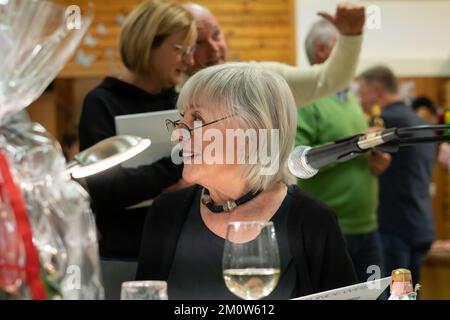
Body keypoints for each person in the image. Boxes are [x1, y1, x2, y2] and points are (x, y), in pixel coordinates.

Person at [136, 63, 357, 299]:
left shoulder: (312, 222)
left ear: (250, 132)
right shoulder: (166, 213)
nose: (177, 133)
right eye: (183, 117)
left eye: (197, 118)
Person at [78, 0, 196, 259]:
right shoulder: (102, 102)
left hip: (181, 249)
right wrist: (178, 165)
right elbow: (105, 189)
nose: (190, 60)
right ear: (147, 42)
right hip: (125, 254)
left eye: (190, 50)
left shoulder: (180, 102)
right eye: (180, 49)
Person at [295, 19, 390, 283]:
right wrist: (359, 144)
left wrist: (374, 160)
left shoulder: (348, 98)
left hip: (367, 226)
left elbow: (353, 152)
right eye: (345, 47)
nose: (354, 56)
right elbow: (299, 160)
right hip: (331, 229)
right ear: (323, 50)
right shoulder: (305, 99)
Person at [182, 2, 366, 107]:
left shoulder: (257, 80)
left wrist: (350, 37)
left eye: (216, 35)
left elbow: (328, 79)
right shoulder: (171, 94)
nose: (214, 48)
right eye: (198, 42)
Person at [357, 66, 436, 286]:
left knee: (394, 293)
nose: (361, 100)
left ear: (376, 90)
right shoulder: (419, 120)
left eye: (362, 92)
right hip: (420, 222)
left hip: (395, 227)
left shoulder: (386, 123)